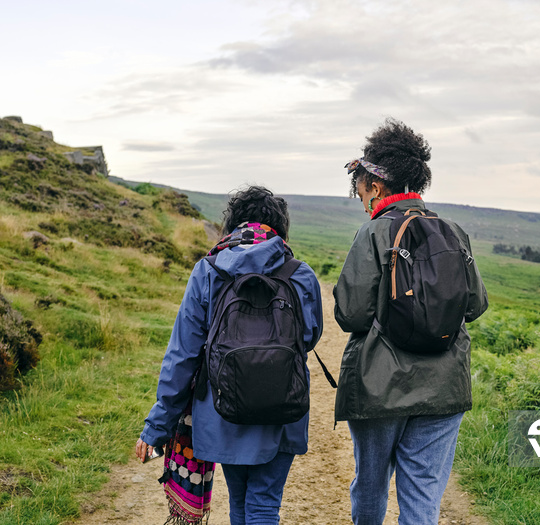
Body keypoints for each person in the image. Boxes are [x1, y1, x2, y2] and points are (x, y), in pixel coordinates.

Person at [135, 185, 323, 524]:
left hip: (223, 410)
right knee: (264, 504)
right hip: (283, 408)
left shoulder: (208, 270)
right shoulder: (300, 273)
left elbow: (183, 354)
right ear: (280, 227)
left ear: (233, 224)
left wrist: (157, 424)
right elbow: (308, 338)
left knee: (239, 502)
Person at [333, 118, 488, 525]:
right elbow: (475, 305)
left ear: (377, 186)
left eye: (362, 187)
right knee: (423, 494)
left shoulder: (373, 233)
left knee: (370, 485)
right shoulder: (452, 231)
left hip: (380, 388)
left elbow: (350, 314)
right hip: (445, 388)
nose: (361, 196)